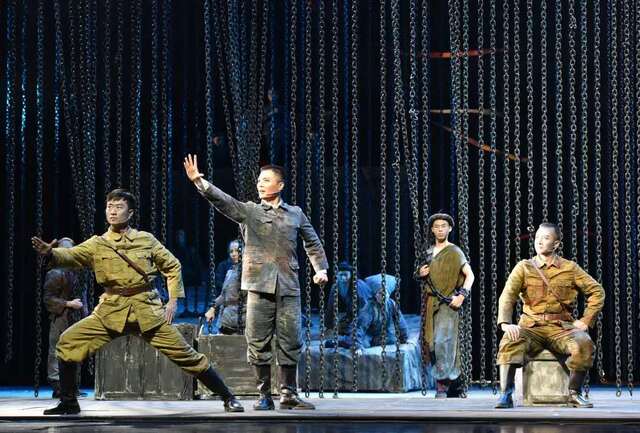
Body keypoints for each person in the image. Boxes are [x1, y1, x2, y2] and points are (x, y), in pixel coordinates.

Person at [31, 188, 243, 415]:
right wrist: (51, 253)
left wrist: (173, 300)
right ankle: (69, 402)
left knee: (187, 355)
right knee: (67, 343)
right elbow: (71, 255)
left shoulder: (146, 240)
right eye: (109, 207)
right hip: (111, 311)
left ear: (130, 213)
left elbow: (172, 266)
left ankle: (228, 397)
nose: (113, 211)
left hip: (146, 311)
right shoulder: (97, 243)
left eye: (119, 207)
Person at [184, 154, 329, 411]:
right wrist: (199, 182)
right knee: (258, 340)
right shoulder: (250, 210)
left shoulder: (295, 214)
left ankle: (288, 394)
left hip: (288, 285)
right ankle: (264, 396)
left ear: (280, 185)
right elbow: (224, 201)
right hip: (258, 286)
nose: (260, 184)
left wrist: (321, 269)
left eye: (266, 180)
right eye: (259, 180)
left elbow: (313, 242)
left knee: (291, 339)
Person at [495, 222, 605, 409]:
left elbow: (597, 291)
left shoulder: (569, 268)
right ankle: (506, 394)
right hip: (531, 327)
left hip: (561, 327)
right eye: (537, 237)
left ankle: (574, 393)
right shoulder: (524, 267)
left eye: (545, 238)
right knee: (509, 341)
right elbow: (508, 296)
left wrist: (585, 320)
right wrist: (505, 323)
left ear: (556, 244)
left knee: (584, 343)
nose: (539, 241)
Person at [415, 213, 475, 399]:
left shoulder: (455, 252)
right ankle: (454, 384)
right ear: (432, 230)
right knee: (432, 343)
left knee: (444, 342)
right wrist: (419, 273)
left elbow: (470, 275)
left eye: (443, 226)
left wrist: (462, 295)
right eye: (437, 226)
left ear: (449, 229)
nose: (440, 229)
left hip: (448, 304)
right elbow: (421, 275)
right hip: (430, 302)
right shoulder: (427, 253)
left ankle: (442, 384)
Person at [43, 237, 88, 399]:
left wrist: (85, 313)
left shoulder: (78, 273)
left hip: (77, 317)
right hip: (61, 317)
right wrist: (68, 303)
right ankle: (58, 387)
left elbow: (83, 297)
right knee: (57, 351)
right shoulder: (55, 273)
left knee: (75, 351)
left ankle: (71, 387)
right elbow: (48, 299)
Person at [355, 274, 409, 350]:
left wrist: (404, 338)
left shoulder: (391, 304)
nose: (382, 296)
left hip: (382, 334)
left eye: (385, 293)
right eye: (380, 293)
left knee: (393, 340)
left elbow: (400, 322)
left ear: (388, 294)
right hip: (368, 333)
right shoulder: (369, 307)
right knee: (364, 344)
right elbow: (361, 326)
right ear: (375, 295)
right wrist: (357, 346)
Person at [324, 261, 371, 348]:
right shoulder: (335, 286)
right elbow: (330, 308)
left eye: (345, 275)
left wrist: (358, 326)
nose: (343, 278)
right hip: (352, 315)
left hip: (368, 315)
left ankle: (343, 341)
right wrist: (328, 326)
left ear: (351, 275)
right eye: (340, 275)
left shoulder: (358, 286)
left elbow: (366, 309)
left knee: (361, 338)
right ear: (337, 275)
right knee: (340, 327)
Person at [205, 240, 246, 335]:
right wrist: (213, 308)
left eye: (237, 251)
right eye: (231, 251)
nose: (234, 254)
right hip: (226, 319)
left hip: (240, 321)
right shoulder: (230, 272)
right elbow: (223, 295)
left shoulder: (247, 272)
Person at [174, 229, 203, 316]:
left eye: (182, 236)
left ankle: (194, 308)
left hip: (191, 272)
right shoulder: (176, 250)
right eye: (179, 236)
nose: (180, 238)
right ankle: (186, 308)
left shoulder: (191, 250)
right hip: (183, 273)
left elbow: (196, 263)